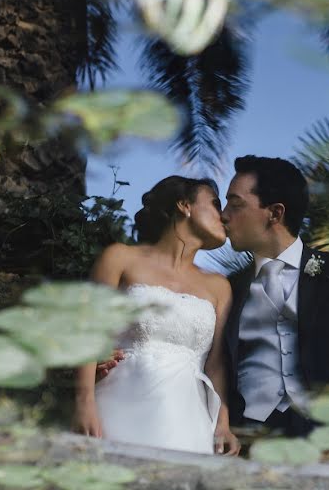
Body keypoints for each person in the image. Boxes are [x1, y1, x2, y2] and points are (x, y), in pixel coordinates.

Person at [221, 156, 329, 462]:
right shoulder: (226, 288)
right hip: (246, 439)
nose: (224, 215)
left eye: (235, 204)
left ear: (275, 213)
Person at [72, 175, 240, 456]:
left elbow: (216, 364)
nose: (223, 215)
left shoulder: (219, 286)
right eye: (214, 203)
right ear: (184, 205)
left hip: (188, 419)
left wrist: (222, 423)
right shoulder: (119, 258)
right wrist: (84, 401)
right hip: (119, 403)